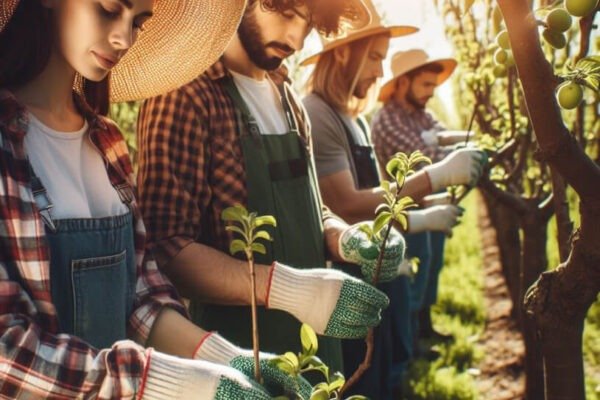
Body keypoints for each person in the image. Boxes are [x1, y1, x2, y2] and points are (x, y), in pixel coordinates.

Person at [0, 1, 312, 398]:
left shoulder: (107, 144)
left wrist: (228, 358)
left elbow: (139, 300)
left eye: (139, 23)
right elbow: (7, 351)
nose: (123, 38)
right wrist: (166, 382)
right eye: (110, 8)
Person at [136, 0, 396, 375]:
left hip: (318, 348)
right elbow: (166, 249)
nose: (296, 37)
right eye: (288, 13)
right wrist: (287, 290)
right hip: (244, 357)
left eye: (308, 23)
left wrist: (345, 238)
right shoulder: (185, 94)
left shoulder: (287, 96)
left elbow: (310, 211)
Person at [300, 2, 487, 397]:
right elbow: (347, 204)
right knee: (365, 377)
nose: (380, 73)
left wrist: (413, 225)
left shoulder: (354, 118)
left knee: (390, 367)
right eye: (373, 58)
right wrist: (435, 176)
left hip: (378, 269)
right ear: (343, 53)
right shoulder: (318, 114)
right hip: (350, 278)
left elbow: (377, 198)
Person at [372, 49, 473, 346]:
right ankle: (410, 341)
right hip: (406, 211)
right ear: (404, 82)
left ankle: (424, 329)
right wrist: (455, 156)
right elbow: (426, 160)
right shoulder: (388, 119)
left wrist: (459, 145)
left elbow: (445, 141)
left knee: (431, 265)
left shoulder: (424, 115)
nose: (432, 92)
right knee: (413, 273)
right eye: (426, 85)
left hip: (432, 202)